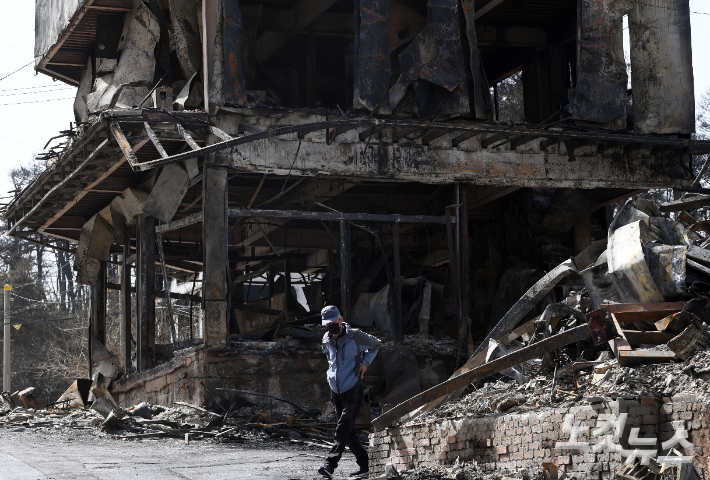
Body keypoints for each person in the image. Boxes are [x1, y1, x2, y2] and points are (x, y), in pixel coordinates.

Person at [318, 305, 381, 479]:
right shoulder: (326, 338)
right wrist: (330, 375)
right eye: (327, 324)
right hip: (335, 390)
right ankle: (365, 464)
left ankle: (330, 465)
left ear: (340, 319)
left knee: (343, 427)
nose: (330, 327)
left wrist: (365, 363)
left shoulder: (356, 335)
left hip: (353, 387)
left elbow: (376, 345)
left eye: (333, 323)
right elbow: (331, 360)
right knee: (349, 431)